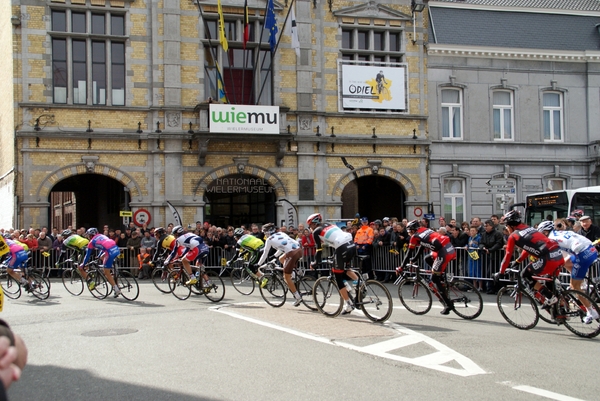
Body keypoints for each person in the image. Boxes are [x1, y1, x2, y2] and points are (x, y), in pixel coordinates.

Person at [494, 210, 564, 311]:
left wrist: (501, 272)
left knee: (525, 275)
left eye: (506, 225)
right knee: (550, 281)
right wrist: (518, 261)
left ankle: (551, 297)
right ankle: (561, 310)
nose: (506, 228)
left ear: (510, 225)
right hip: (558, 254)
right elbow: (527, 249)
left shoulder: (513, 236)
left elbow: (508, 255)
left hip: (547, 258)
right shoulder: (529, 228)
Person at [539, 220, 600, 324]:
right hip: (591, 249)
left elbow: (552, 257)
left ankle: (591, 311)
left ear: (545, 232)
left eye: (541, 234)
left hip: (582, 254)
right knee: (564, 263)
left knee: (574, 286)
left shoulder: (551, 239)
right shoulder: (561, 232)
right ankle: (580, 281)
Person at [399, 219, 457, 314]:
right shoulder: (425, 229)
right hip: (447, 247)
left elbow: (409, 253)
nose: (409, 233)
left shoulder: (414, 236)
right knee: (427, 258)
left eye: (409, 231)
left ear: (412, 230)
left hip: (443, 252)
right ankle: (441, 277)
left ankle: (448, 305)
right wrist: (415, 258)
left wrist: (401, 267)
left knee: (434, 278)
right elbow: (422, 245)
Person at [307, 213, 359, 314]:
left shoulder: (316, 232)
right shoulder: (330, 225)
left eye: (310, 226)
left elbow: (319, 250)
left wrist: (315, 262)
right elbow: (333, 239)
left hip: (342, 247)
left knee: (338, 277)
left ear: (313, 224)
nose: (310, 228)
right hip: (351, 245)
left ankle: (349, 304)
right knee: (345, 268)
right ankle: (359, 283)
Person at [256, 223, 304, 306]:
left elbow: (265, 253)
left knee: (286, 277)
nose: (265, 235)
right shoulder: (282, 233)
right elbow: (283, 246)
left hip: (291, 253)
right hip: (299, 249)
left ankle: (297, 297)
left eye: (265, 233)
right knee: (281, 259)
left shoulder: (269, 239)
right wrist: (274, 256)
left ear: (268, 232)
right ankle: (293, 273)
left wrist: (258, 264)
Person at [82, 227, 122, 298]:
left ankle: (116, 289)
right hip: (116, 249)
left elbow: (87, 255)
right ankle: (114, 273)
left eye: (88, 235)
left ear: (91, 235)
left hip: (109, 252)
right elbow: (103, 247)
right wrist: (99, 255)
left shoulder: (91, 242)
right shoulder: (102, 235)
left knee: (106, 272)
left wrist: (83, 264)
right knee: (102, 258)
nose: (88, 237)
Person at [479, 219, 504, 294]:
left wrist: (490, 250)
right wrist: (483, 247)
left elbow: (499, 244)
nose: (485, 227)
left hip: (496, 256)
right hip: (487, 256)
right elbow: (481, 243)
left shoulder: (498, 233)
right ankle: (490, 288)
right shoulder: (484, 234)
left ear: (491, 226)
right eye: (485, 226)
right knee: (488, 272)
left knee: (495, 272)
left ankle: (497, 288)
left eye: (487, 226)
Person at [467, 226, 482, 291]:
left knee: (478, 271)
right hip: (471, 256)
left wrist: (473, 245)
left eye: (473, 230)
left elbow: (479, 246)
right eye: (471, 231)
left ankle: (480, 286)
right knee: (472, 272)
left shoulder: (479, 238)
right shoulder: (470, 238)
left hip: (477, 256)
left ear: (476, 231)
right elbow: (468, 244)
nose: (472, 232)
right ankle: (474, 286)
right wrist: (467, 246)